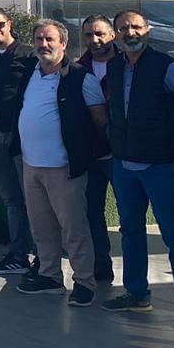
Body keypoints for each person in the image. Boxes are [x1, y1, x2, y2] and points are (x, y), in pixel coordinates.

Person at [102, 9, 174, 331]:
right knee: (130, 232)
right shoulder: (114, 67)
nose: (130, 33)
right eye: (124, 28)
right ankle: (137, 294)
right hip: (124, 166)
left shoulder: (167, 67)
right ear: (116, 34)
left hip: (161, 167)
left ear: (147, 30)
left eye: (136, 27)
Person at [13, 21, 105, 306]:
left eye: (50, 39)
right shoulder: (30, 73)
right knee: (41, 228)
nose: (44, 44)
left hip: (64, 168)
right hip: (31, 165)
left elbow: (100, 120)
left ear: (63, 44)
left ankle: (85, 282)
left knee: (74, 229)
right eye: (39, 39)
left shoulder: (81, 78)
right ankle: (50, 276)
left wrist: (82, 152)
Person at [0, 6, 37, 277]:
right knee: (11, 199)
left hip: (21, 138)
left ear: (9, 24)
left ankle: (42, 256)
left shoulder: (28, 55)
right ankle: (18, 254)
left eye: (0, 24)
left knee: (32, 199)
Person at [76, 15, 119, 282]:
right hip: (90, 152)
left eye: (100, 33)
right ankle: (101, 267)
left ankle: (135, 278)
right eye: (89, 35)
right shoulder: (78, 69)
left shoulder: (127, 64)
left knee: (129, 212)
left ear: (112, 35)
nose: (95, 40)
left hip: (122, 153)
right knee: (92, 212)